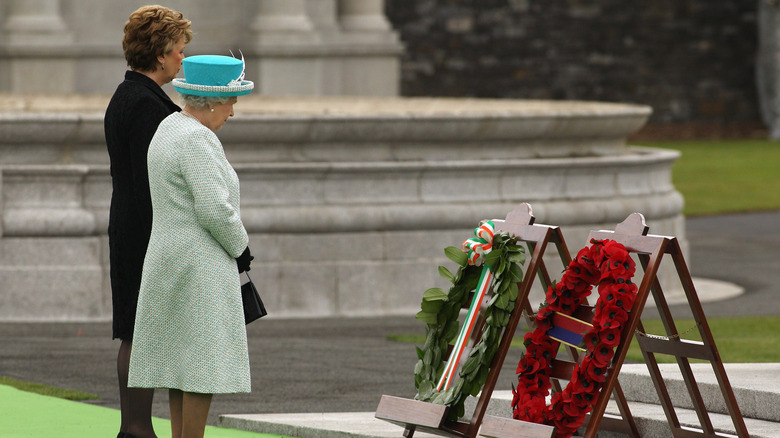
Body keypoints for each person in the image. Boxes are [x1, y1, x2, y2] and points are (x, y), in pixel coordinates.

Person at [128, 54, 255, 438]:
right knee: (200, 368)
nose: (232, 112)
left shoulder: (169, 126)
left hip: (168, 258)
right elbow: (215, 209)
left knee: (180, 365)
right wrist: (242, 247)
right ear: (214, 100)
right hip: (199, 266)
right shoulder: (198, 139)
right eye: (231, 101)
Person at [104, 5, 192, 438]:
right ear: (159, 55)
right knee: (140, 328)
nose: (181, 59)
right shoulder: (144, 104)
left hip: (132, 225)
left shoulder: (131, 95)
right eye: (178, 51)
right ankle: (137, 428)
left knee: (137, 328)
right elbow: (149, 182)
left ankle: (135, 427)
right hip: (144, 231)